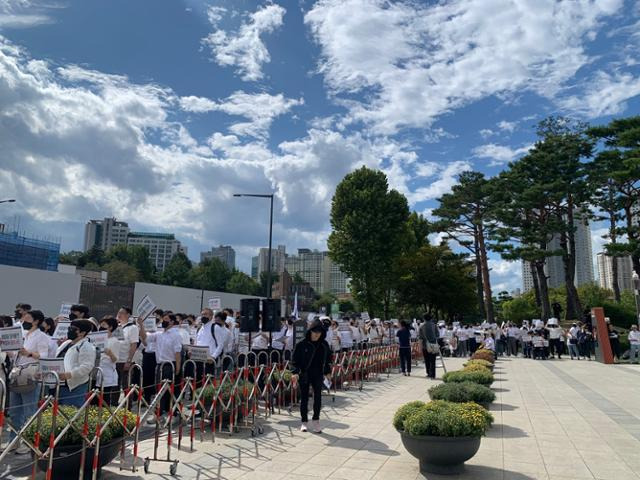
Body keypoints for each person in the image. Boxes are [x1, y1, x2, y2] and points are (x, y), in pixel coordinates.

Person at [10, 310, 49, 454]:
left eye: (27, 319)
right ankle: (13, 441)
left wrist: (30, 353)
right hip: (17, 373)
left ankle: (28, 442)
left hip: (31, 374)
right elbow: (16, 354)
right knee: (15, 411)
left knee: (29, 411)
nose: (24, 321)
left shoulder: (42, 337)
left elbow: (44, 355)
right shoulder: (24, 335)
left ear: (36, 321)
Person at [138, 312, 183, 423]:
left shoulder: (176, 334)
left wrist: (178, 367)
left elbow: (177, 352)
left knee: (171, 390)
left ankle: (173, 413)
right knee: (159, 390)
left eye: (166, 319)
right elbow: (145, 338)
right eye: (163, 319)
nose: (163, 321)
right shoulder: (159, 334)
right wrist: (141, 325)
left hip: (170, 365)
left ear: (172, 322)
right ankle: (159, 413)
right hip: (159, 365)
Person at [291, 320, 332, 433]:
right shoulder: (301, 344)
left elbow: (328, 359)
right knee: (304, 397)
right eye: (315, 331)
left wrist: (328, 372)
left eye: (319, 332)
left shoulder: (324, 344)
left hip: (318, 373)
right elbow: (294, 361)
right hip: (304, 373)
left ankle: (316, 420)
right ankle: (304, 422)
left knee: (318, 397)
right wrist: (295, 372)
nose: (317, 334)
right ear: (310, 331)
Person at [56, 319, 97, 407]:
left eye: (74, 328)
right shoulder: (66, 343)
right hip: (60, 383)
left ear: (82, 333)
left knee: (71, 411)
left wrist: (70, 374)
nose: (70, 330)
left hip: (75, 385)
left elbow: (87, 366)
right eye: (70, 327)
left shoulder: (87, 346)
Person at [98, 316, 120, 406]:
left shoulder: (114, 341)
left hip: (107, 372)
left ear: (110, 327)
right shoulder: (98, 339)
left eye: (104, 325)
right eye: (101, 324)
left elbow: (115, 359)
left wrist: (110, 353)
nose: (101, 327)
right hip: (97, 371)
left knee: (105, 398)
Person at [418, 313, 439, 379]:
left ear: (424, 318)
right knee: (433, 360)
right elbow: (438, 335)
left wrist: (420, 348)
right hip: (433, 345)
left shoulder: (421, 326)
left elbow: (420, 338)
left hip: (425, 345)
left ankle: (428, 373)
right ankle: (433, 375)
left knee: (427, 360)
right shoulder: (434, 325)